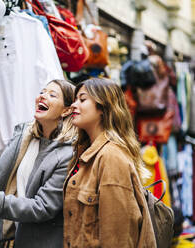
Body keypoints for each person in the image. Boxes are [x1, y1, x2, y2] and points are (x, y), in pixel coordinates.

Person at [0, 80, 77, 248]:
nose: (42, 97)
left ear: (66, 110)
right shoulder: (25, 137)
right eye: (42, 92)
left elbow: (42, 207)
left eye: (52, 95)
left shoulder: (67, 154)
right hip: (14, 237)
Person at [63, 78, 156, 247]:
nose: (74, 105)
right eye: (75, 99)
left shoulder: (110, 157)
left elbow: (118, 235)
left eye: (82, 99)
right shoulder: (85, 152)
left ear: (103, 107)